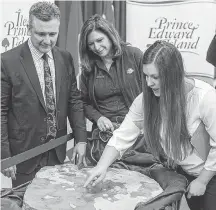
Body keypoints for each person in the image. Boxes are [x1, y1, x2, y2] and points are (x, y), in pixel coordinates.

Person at [84, 40, 216, 210]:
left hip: (210, 175)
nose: (148, 83)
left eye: (155, 77)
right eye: (146, 76)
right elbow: (123, 134)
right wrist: (101, 167)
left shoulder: (205, 98)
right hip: (186, 172)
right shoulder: (145, 100)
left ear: (173, 75)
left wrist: (203, 180)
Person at [1, 1, 87, 188]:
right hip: (24, 154)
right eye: (40, 34)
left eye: (52, 34)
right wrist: (4, 155)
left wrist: (81, 139)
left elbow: (73, 100)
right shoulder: (7, 61)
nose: (47, 40)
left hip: (57, 151)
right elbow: (1, 111)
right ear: (29, 28)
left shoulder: (65, 58)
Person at [79, 14, 143, 165]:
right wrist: (98, 117)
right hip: (104, 137)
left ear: (110, 35)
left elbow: (151, 90)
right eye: (91, 44)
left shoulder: (134, 55)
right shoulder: (88, 68)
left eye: (100, 40)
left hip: (137, 133)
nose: (96, 47)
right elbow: (83, 103)